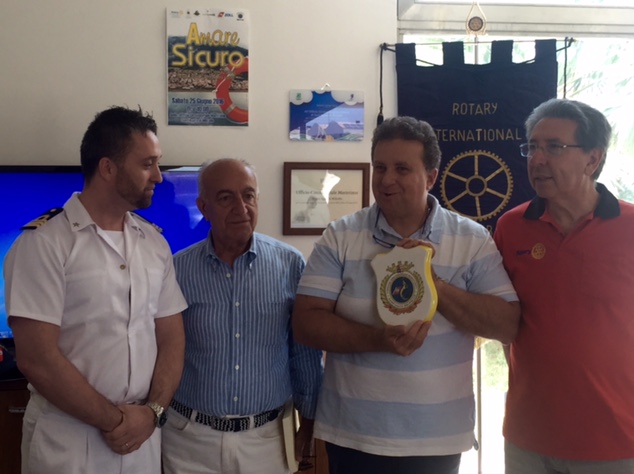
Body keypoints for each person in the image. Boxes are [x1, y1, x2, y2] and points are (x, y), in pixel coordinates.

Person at [292, 116, 520, 474]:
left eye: (402, 168)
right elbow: (306, 324)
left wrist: (433, 284)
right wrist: (377, 340)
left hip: (437, 438)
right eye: (380, 167)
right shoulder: (340, 236)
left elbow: (507, 325)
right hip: (353, 434)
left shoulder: (472, 240)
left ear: (430, 176)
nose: (386, 180)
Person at [3, 106, 187, 473]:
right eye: (147, 164)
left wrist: (151, 413)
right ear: (107, 168)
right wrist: (117, 421)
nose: (159, 176)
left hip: (142, 437)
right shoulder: (44, 243)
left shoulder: (154, 243)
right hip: (69, 440)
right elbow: (37, 358)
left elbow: (171, 338)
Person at [494, 98, 634, 473]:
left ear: (593, 159)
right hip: (528, 440)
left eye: (554, 147)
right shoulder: (511, 227)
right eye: (532, 147)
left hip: (616, 440)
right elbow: (501, 318)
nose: (537, 159)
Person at [162, 159, 324, 474]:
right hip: (188, 441)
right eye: (226, 198)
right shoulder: (176, 270)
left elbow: (304, 352)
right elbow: (161, 352)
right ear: (204, 207)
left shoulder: (290, 264)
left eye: (248, 195)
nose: (241, 208)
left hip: (266, 442)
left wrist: (310, 420)